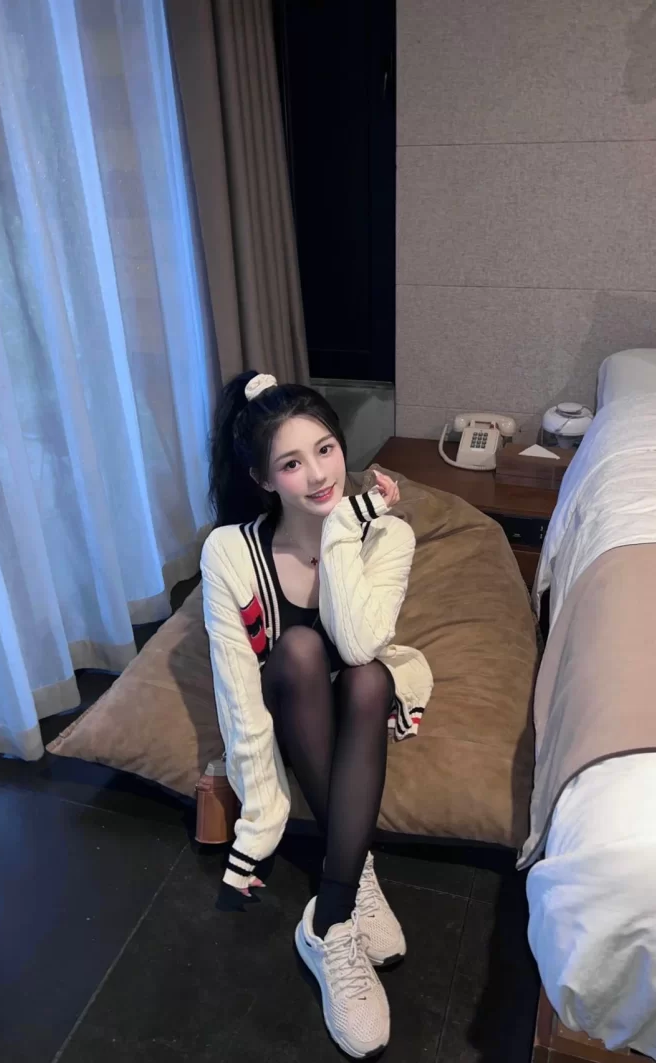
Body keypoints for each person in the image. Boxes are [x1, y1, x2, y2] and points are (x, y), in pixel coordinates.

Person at [201, 370, 433, 1058]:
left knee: (369, 676)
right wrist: (260, 810)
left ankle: (331, 911)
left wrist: (340, 534)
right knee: (301, 648)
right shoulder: (229, 552)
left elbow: (360, 643)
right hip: (287, 694)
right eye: (292, 463)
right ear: (263, 479)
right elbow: (237, 689)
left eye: (326, 449)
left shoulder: (387, 537)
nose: (319, 474)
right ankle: (351, 875)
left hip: (354, 693)